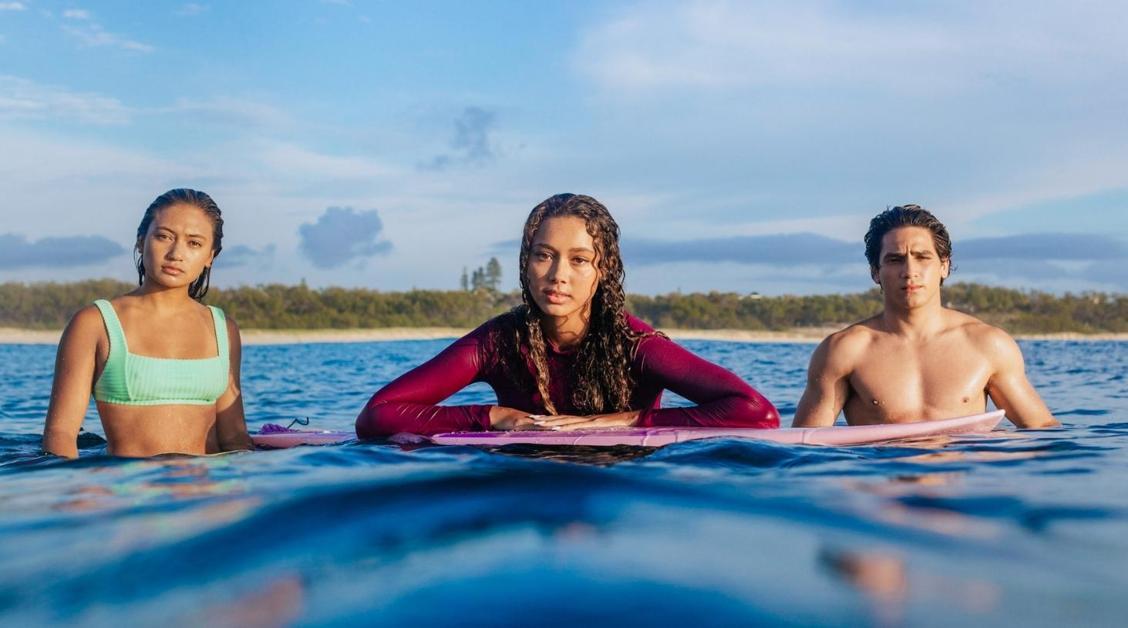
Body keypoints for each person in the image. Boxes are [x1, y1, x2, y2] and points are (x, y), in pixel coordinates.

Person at [356, 193, 779, 437]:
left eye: (579, 260)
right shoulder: (498, 343)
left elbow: (757, 413)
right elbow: (377, 415)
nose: (558, 276)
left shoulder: (634, 345)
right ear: (526, 263)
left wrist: (623, 421)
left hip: (627, 493)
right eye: (544, 256)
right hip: (528, 489)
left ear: (603, 270)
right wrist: (493, 417)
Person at [792, 205, 1058, 428]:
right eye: (895, 260)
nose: (910, 271)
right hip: (879, 484)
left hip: (964, 484)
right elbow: (804, 447)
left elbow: (1044, 434)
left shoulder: (988, 345)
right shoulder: (844, 350)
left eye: (922, 257)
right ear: (875, 272)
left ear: (944, 266)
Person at [43, 189, 252, 458]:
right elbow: (60, 434)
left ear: (210, 256)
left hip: (210, 491)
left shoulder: (223, 328)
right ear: (141, 241)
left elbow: (234, 436)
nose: (176, 253)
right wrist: (77, 495)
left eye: (194, 243)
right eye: (163, 236)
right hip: (132, 494)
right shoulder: (96, 322)